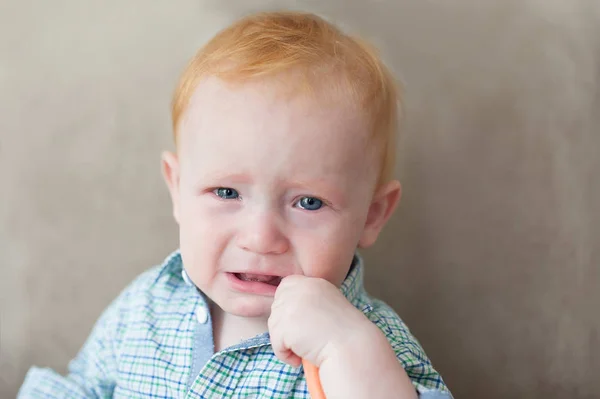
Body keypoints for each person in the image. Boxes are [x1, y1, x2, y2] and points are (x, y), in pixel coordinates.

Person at [18, 10, 453, 399]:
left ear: (372, 216)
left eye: (307, 202)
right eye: (227, 193)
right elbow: (83, 387)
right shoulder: (146, 306)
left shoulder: (369, 344)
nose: (261, 238)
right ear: (178, 188)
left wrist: (346, 349)